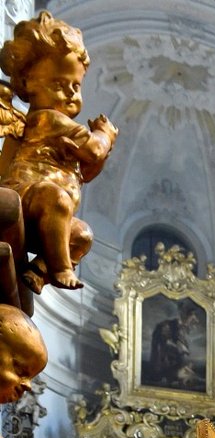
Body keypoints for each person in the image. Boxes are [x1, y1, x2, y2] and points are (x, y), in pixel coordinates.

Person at [0, 11, 118, 293]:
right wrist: (106, 134)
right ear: (27, 83)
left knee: (82, 235)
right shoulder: (49, 120)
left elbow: (85, 171)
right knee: (59, 200)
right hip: (27, 194)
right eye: (58, 84)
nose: (70, 94)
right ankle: (62, 268)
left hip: (49, 216)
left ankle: (40, 270)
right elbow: (94, 150)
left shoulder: (59, 128)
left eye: (75, 86)